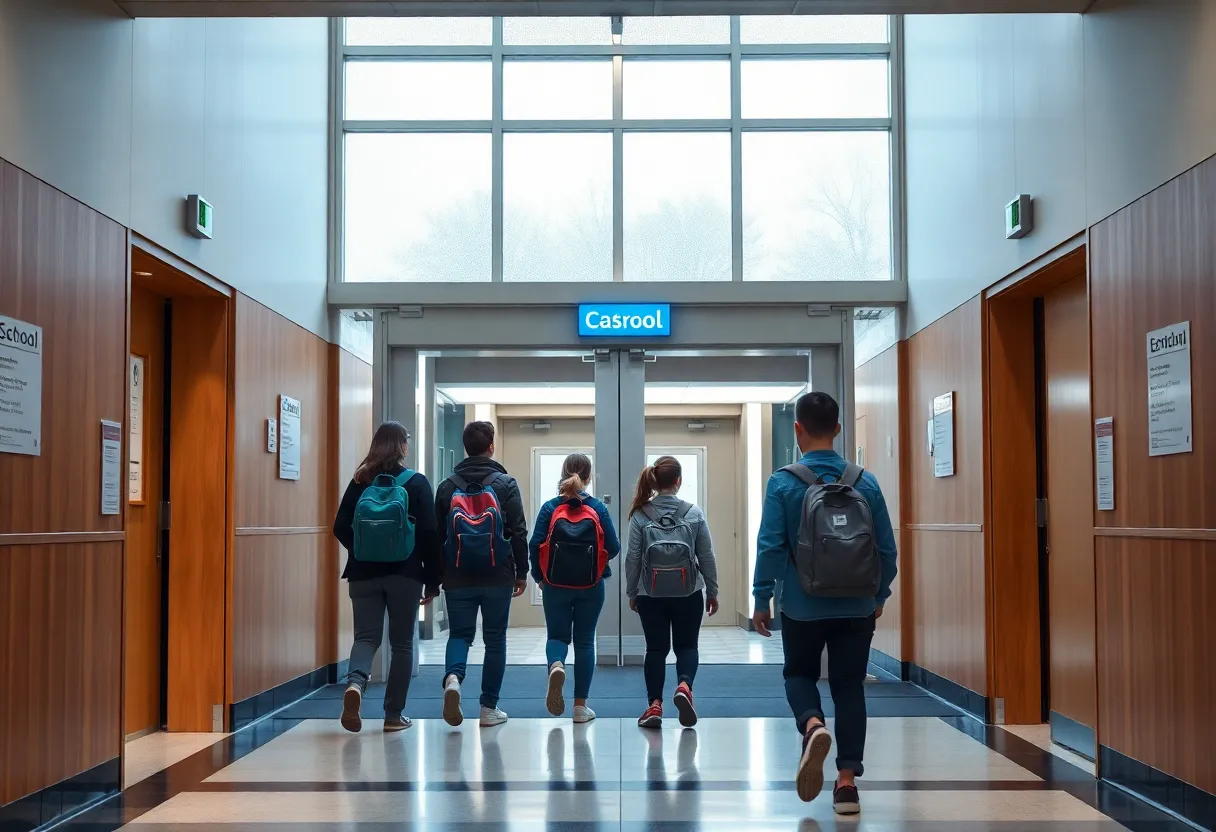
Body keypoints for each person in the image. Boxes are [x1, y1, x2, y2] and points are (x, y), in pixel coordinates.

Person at [752, 391, 898, 815]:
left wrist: (762, 598)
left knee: (798, 673)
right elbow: (887, 551)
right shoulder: (865, 482)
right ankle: (847, 784)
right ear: (837, 428)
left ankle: (812, 723)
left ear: (798, 429)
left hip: (802, 605)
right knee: (849, 686)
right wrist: (878, 595)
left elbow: (770, 546)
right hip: (857, 605)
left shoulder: (783, 482)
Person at [333, 421, 441, 734]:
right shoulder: (416, 483)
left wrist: (361, 550)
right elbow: (429, 534)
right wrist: (432, 580)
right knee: (403, 643)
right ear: (403, 446)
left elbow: (339, 526)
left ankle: (355, 684)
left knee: (365, 638)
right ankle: (393, 715)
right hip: (405, 574)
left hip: (362, 574)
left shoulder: (360, 480)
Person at [435, 420, 529, 728]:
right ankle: (489, 708)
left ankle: (453, 678)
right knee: (495, 640)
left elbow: (435, 535)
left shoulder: (447, 486)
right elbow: (518, 531)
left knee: (460, 634)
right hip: (497, 573)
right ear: (491, 446)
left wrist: (436, 576)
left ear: (466, 447)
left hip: (457, 574)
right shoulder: (505, 483)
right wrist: (522, 571)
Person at [625, 456, 719, 729]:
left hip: (650, 593)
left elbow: (632, 557)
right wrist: (712, 591)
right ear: (678, 480)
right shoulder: (694, 513)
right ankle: (684, 686)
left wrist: (632, 591)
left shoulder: (640, 514)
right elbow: (706, 556)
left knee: (655, 649)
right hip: (689, 592)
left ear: (654, 481)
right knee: (687, 646)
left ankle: (654, 706)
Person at [529, 453, 620, 724]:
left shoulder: (550, 507)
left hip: (555, 584)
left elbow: (534, 545)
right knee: (584, 641)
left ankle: (557, 664)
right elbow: (614, 547)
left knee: (557, 636)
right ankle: (580, 707)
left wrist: (540, 577)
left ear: (563, 472)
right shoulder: (597, 508)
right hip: (591, 585)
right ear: (589, 477)